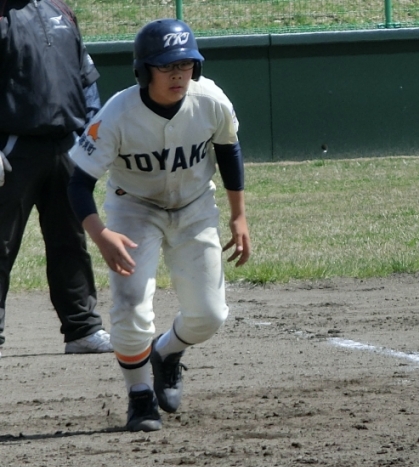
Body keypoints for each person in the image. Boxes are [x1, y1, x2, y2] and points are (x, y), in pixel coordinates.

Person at [68, 18, 251, 432]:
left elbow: (228, 150)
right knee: (131, 307)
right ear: (143, 70)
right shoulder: (117, 114)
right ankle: (139, 395)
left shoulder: (210, 100)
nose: (177, 74)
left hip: (194, 207)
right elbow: (78, 183)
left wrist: (239, 215)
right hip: (133, 210)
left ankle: (166, 353)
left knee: (209, 315)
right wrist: (101, 234)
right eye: (166, 66)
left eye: (185, 64)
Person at [0, 0, 113, 354]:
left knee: (70, 240)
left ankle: (82, 329)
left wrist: (91, 134)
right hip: (12, 150)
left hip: (67, 146)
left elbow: (85, 79)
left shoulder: (60, 9)